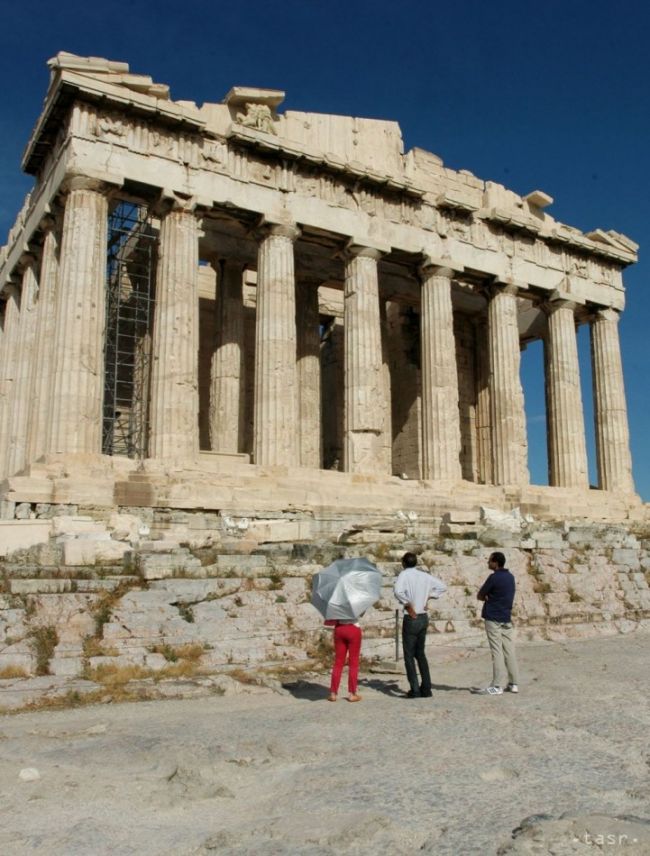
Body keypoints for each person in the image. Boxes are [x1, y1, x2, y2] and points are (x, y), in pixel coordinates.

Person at [394, 552, 447, 698]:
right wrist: (429, 596)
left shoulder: (404, 575)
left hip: (411, 617)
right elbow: (442, 587)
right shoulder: (424, 575)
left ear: (403, 563)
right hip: (423, 617)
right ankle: (427, 688)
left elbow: (397, 591)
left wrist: (407, 604)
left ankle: (415, 689)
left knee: (409, 655)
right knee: (421, 654)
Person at [472, 551, 520, 696]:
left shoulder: (494, 577)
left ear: (495, 563)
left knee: (497, 651)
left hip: (493, 617)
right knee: (509, 650)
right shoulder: (510, 577)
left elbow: (480, 595)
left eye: (490, 561)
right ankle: (514, 683)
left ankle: (497, 685)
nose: (488, 563)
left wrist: (487, 597)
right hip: (506, 617)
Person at [328, 618, 362, 702]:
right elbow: (361, 613)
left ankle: (333, 693)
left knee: (338, 662)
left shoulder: (337, 604)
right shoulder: (355, 604)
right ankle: (352, 694)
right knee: (353, 663)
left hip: (339, 628)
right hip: (353, 628)